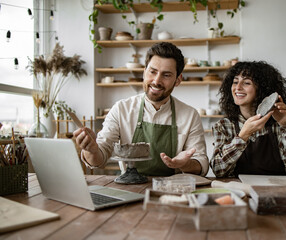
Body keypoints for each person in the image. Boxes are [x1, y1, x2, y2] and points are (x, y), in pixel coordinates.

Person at [74, 42, 208, 176]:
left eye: (166, 75)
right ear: (144, 72)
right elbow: (100, 159)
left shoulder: (190, 115)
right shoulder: (121, 109)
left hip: (173, 190)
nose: (156, 81)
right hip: (130, 189)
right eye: (152, 72)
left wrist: (185, 164)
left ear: (178, 80)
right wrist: (92, 150)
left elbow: (201, 163)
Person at [210, 61, 286, 177]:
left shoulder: (277, 124)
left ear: (263, 88)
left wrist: (285, 126)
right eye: (235, 82)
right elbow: (218, 170)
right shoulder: (223, 126)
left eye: (246, 83)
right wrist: (243, 136)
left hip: (278, 189)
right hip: (241, 191)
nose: (237, 87)